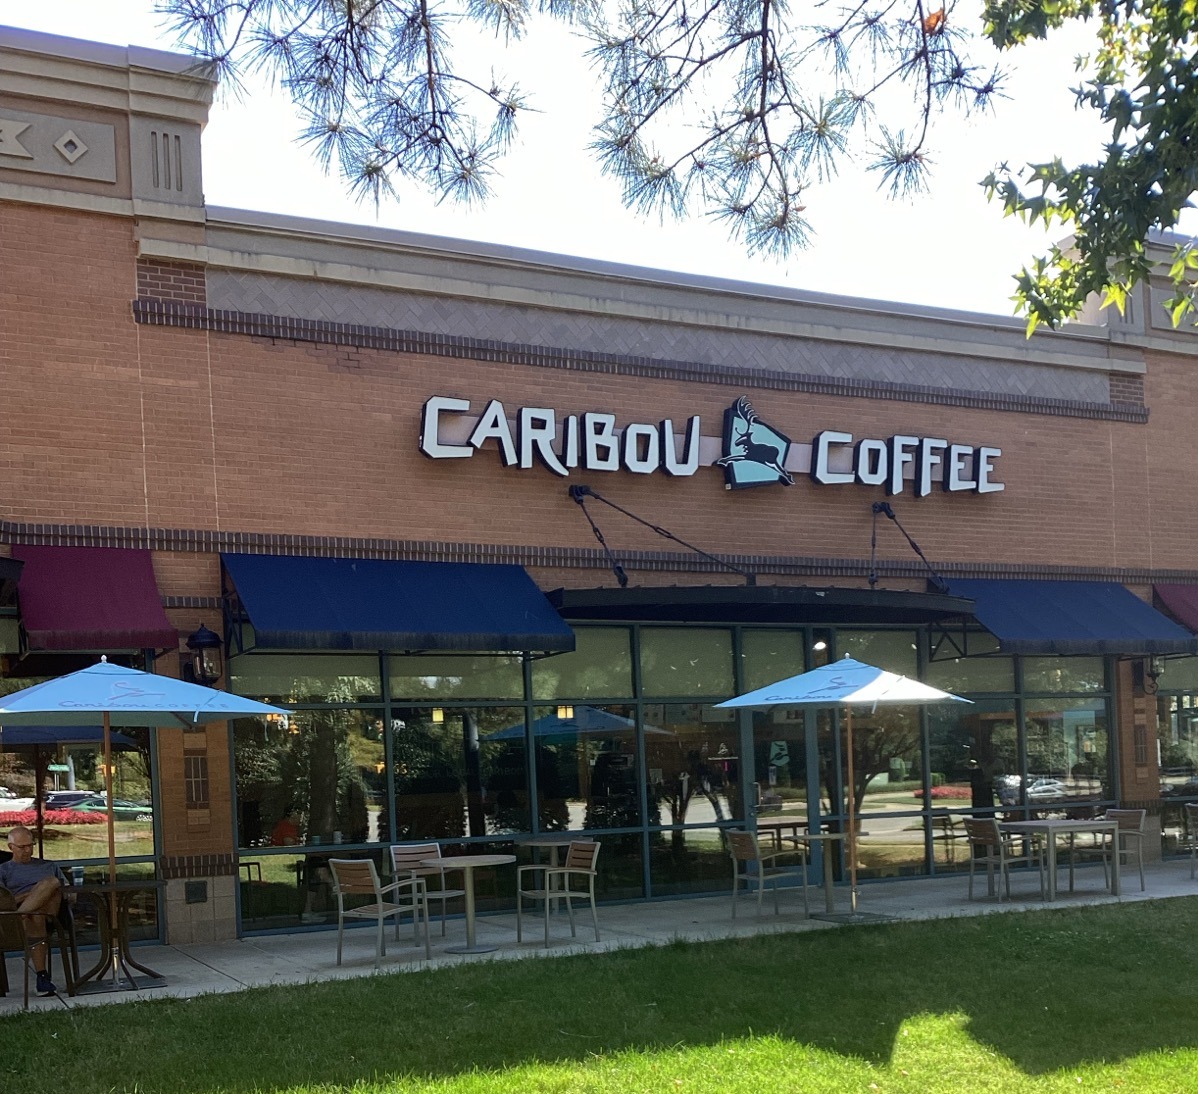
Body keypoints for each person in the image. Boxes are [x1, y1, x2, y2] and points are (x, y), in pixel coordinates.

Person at [0, 825, 67, 996]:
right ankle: (42, 978)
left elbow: (69, 895)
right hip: (30, 918)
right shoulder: (3, 870)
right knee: (35, 915)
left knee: (51, 882)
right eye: (22, 847)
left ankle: (20, 915)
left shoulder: (48, 866)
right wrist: (34, 896)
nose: (27, 850)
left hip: (51, 914)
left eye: (30, 845)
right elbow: (5, 901)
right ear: (10, 847)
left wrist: (43, 892)